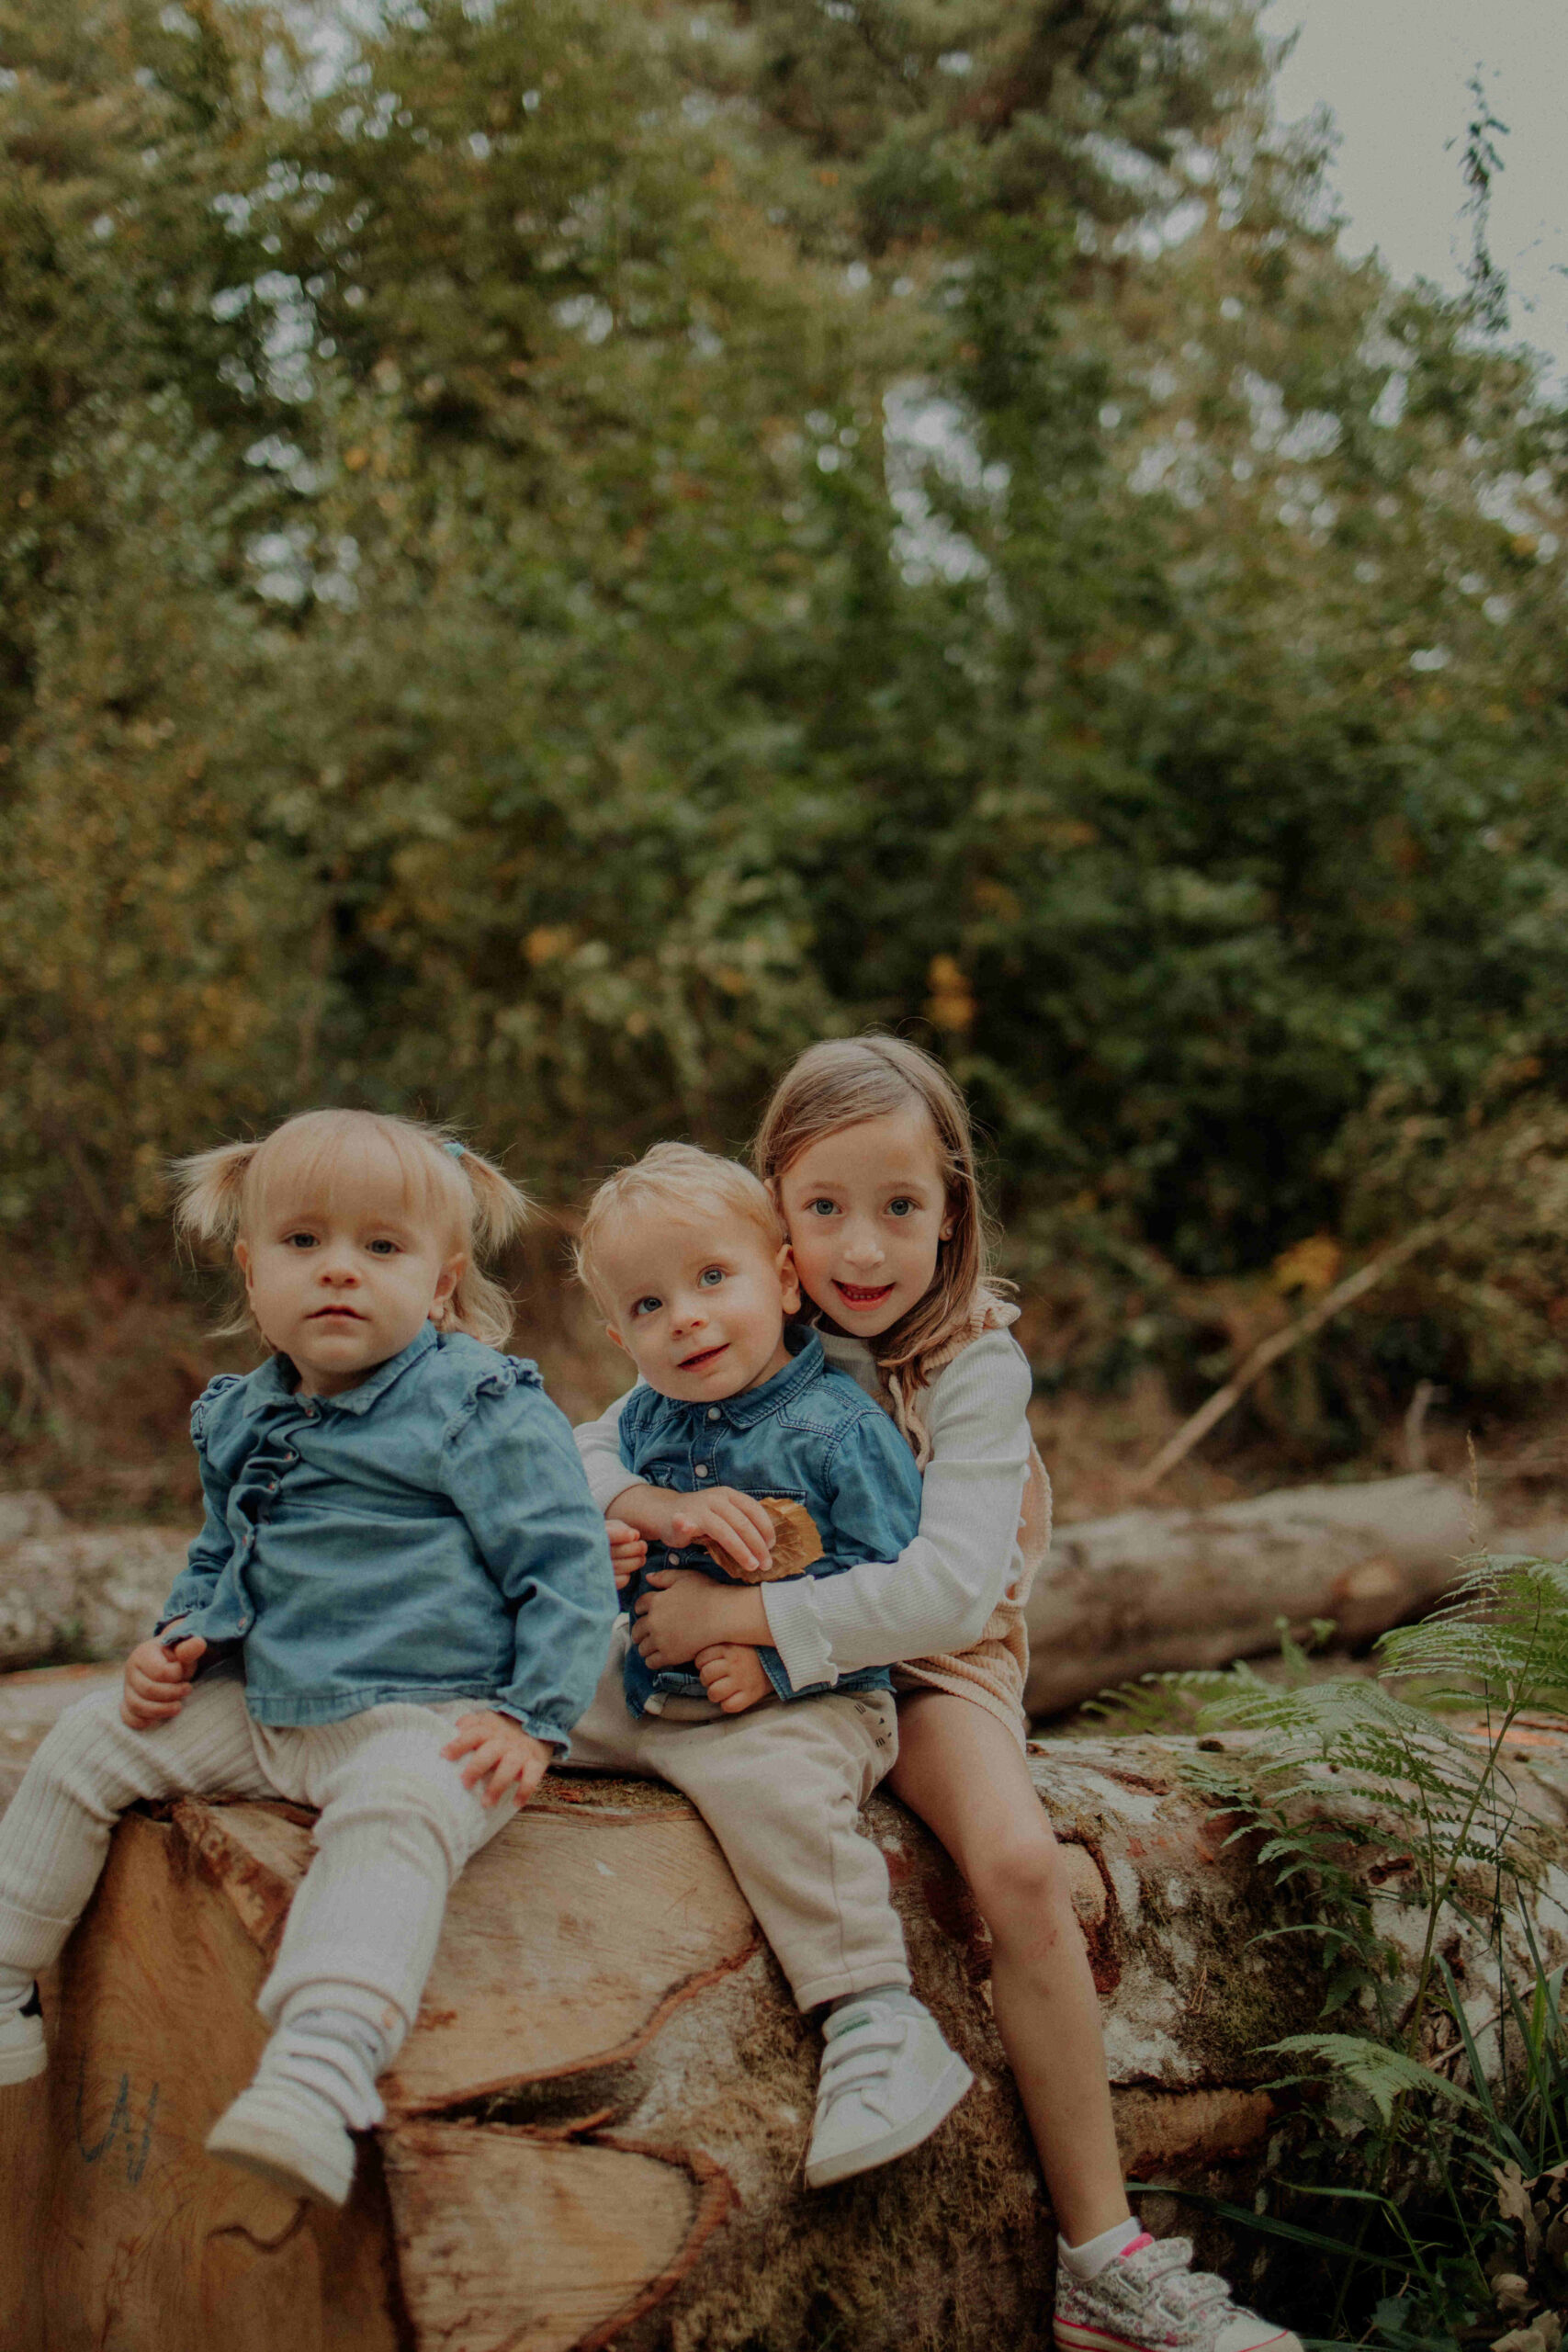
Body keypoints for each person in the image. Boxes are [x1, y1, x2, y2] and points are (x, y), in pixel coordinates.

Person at [584, 1039, 1303, 2352]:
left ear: (950, 1213)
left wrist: (741, 1616)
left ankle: (1100, 2258)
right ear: (772, 1216)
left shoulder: (974, 1365)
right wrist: (635, 1503)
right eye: (824, 1209)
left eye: (899, 1208)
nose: (863, 1248)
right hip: (726, 1666)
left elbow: (946, 1595)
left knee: (1019, 1864)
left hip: (921, 1672)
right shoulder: (725, 1312)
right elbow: (581, 1448)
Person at [0, 1108, 617, 2208]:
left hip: (426, 1713)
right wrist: (173, 1645)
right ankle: (5, 1972)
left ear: (439, 1281)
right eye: (303, 1243)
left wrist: (531, 1717)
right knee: (92, 1735)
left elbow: (566, 1569)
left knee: (396, 1815)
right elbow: (221, 1551)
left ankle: (322, 2063)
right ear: (251, 1273)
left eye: (380, 1247)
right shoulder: (241, 1411)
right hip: (266, 1700)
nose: (339, 1270)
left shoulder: (477, 1404)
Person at [568, 1141, 975, 2190]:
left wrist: (775, 1661)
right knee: (523, 1690)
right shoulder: (647, 1418)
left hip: (810, 1700)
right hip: (653, 1684)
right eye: (650, 1305)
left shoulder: (838, 1432)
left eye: (713, 1279)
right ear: (620, 1336)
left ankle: (876, 2016)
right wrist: (616, 1521)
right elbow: (568, 1462)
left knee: (777, 1795)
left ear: (785, 1281)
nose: (688, 1318)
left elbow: (884, 1593)